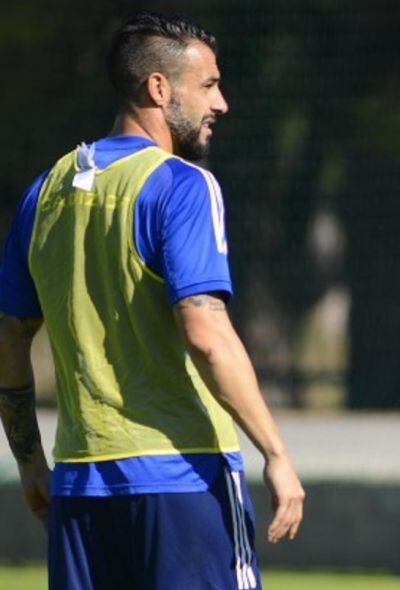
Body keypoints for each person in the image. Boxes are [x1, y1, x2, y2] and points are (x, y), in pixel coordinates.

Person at [0, 12, 304, 589]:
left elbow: (10, 338)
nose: (223, 103)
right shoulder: (182, 185)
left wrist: (30, 463)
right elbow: (206, 333)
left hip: (79, 484)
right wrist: (276, 451)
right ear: (159, 89)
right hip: (183, 477)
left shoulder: (45, 192)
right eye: (209, 85)